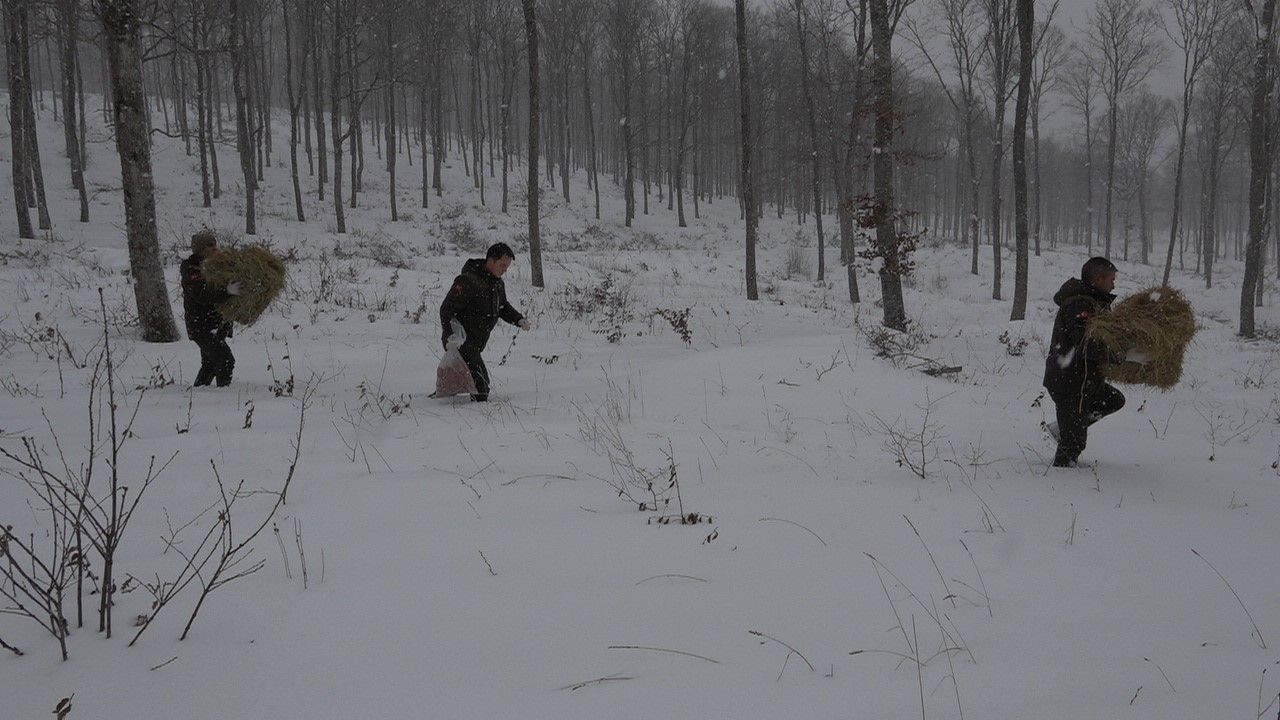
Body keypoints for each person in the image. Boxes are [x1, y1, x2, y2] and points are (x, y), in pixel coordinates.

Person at [1042, 256, 1145, 468]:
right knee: (1073, 444)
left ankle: (1066, 427)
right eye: (1111, 279)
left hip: (1083, 380)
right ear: (1098, 279)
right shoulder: (1079, 304)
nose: (1114, 284)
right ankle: (1060, 480)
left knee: (1113, 399)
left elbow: (1104, 337)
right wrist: (1121, 356)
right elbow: (1086, 344)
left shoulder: (1094, 302)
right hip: (1070, 381)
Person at [438, 242, 531, 401]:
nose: (505, 270)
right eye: (502, 265)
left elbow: (502, 307)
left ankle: (444, 401)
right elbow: (446, 309)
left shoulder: (497, 283)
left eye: (507, 267)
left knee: (460, 379)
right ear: (491, 261)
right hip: (462, 342)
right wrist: (449, 336)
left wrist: (518, 319)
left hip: (477, 341)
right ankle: (476, 418)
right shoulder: (468, 281)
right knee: (481, 385)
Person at [181, 231, 241, 387]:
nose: (215, 248)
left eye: (215, 243)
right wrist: (227, 291)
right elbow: (201, 293)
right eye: (210, 245)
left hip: (215, 325)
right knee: (225, 360)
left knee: (210, 364)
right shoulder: (192, 269)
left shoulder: (218, 265)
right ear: (201, 249)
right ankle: (222, 396)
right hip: (201, 326)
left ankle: (199, 392)